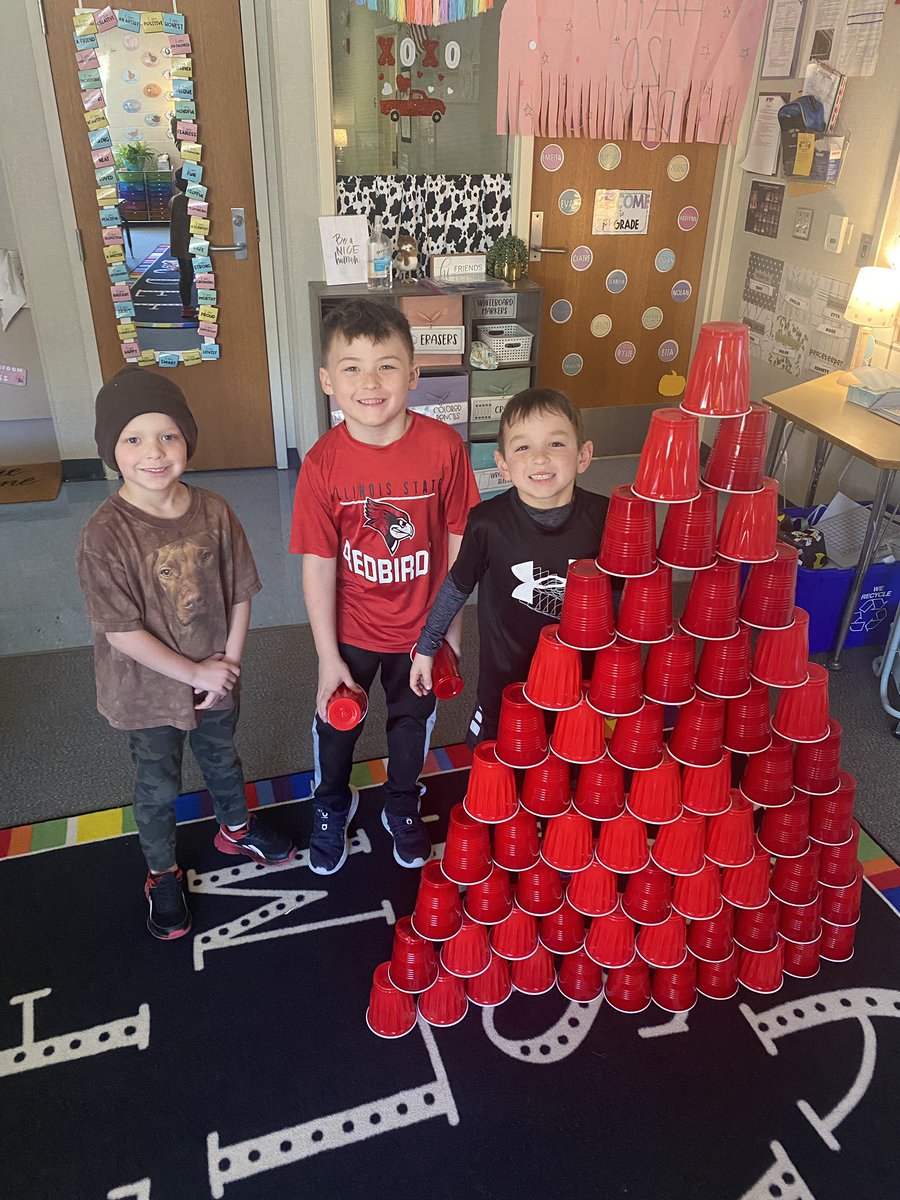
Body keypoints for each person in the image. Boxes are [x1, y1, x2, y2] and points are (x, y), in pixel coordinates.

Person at [76, 366, 295, 941]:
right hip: (145, 692)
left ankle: (235, 828)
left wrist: (227, 668)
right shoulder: (104, 535)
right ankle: (161, 872)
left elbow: (241, 592)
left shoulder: (216, 512)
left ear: (187, 441)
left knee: (222, 759)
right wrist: (194, 671)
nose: (154, 452)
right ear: (110, 449)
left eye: (168, 435)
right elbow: (121, 631)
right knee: (157, 783)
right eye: (133, 438)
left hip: (216, 678)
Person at [290, 298, 480, 875]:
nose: (370, 383)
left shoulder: (445, 449)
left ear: (414, 374)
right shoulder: (322, 464)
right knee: (335, 728)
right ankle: (331, 804)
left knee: (409, 730)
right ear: (328, 380)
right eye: (352, 368)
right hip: (352, 631)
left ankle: (402, 802)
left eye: (387, 366)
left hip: (422, 633)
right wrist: (327, 658)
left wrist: (448, 633)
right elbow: (318, 564)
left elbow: (461, 547)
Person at [411, 388, 610, 746]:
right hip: (506, 682)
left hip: (583, 680)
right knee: (498, 758)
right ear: (502, 465)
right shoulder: (486, 523)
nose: (539, 458)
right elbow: (455, 588)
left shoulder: (608, 518)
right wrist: (426, 647)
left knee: (574, 756)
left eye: (556, 444)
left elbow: (626, 599)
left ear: (583, 455)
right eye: (523, 447)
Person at [169, 168, 195, 321]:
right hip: (195, 242)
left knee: (185, 276)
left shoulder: (174, 200)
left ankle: (186, 307)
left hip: (179, 244)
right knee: (201, 273)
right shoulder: (197, 201)